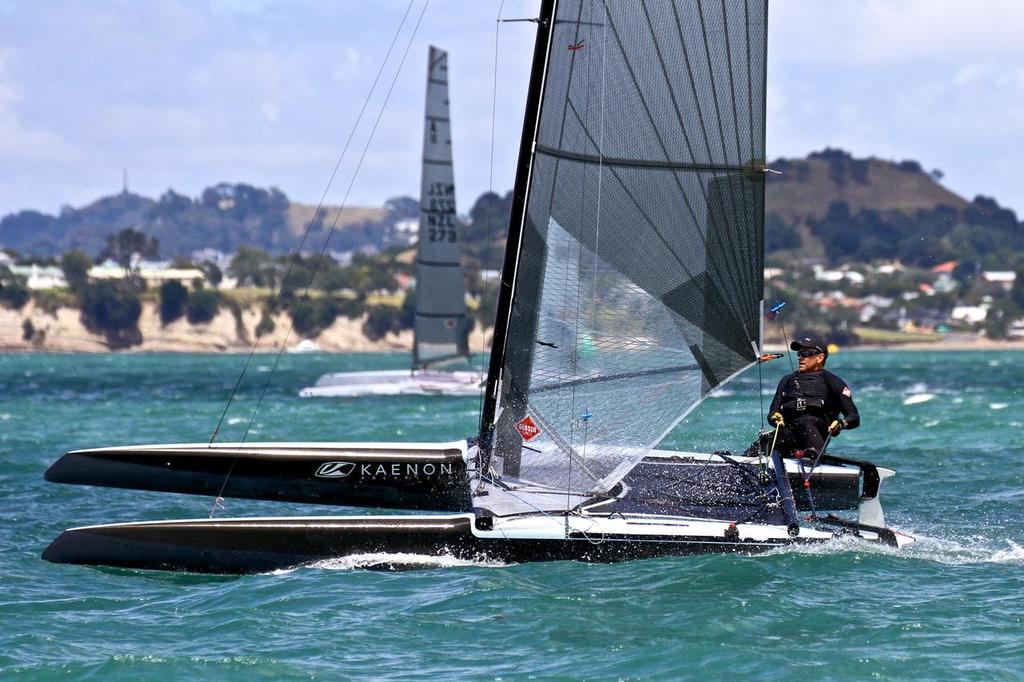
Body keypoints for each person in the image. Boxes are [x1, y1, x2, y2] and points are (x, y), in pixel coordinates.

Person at [766, 337, 859, 457]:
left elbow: (854, 417)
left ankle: (814, 457)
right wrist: (774, 418)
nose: (800, 357)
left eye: (806, 353)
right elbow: (772, 413)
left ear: (820, 357)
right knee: (765, 441)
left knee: (807, 421)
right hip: (787, 435)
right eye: (799, 354)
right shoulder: (787, 380)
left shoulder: (833, 382)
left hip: (814, 434)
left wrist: (841, 423)